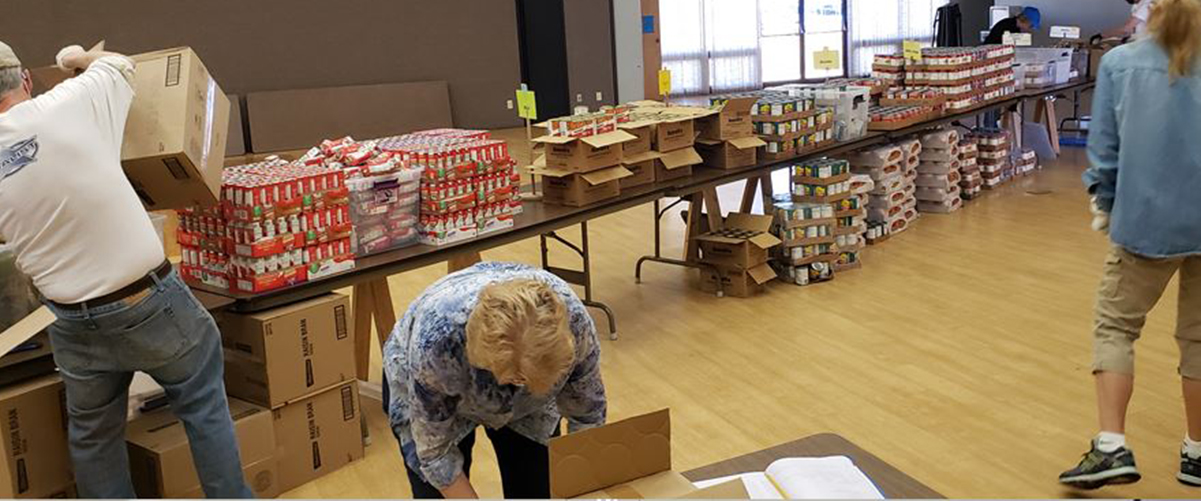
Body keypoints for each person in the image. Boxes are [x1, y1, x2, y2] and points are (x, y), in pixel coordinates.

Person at [0, 42, 252, 498]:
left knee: (94, 439)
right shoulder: (68, 103)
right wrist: (76, 59)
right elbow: (119, 65)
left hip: (70, 319)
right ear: (26, 80)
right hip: (149, 301)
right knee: (203, 405)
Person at [1059, 0, 1201, 490]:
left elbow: (1105, 150)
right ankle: (1197, 455)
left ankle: (1111, 447)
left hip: (1145, 223)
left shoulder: (1122, 63)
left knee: (1116, 327)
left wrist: (1104, 201)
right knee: (1200, 340)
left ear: (1152, 8)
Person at [383, 262, 606, 499]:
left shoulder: (574, 326)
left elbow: (587, 418)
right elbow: (435, 455)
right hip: (434, 384)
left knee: (535, 488)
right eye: (514, 378)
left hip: (531, 408)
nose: (518, 386)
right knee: (436, 493)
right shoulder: (437, 343)